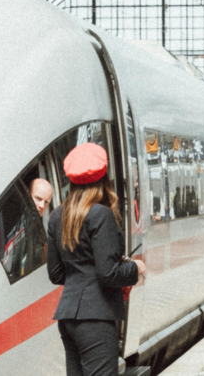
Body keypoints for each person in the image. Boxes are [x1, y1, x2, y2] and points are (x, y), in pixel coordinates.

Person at [47, 143, 145, 376]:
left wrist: (82, 275)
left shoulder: (57, 216)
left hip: (68, 318)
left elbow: (56, 274)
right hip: (96, 318)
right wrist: (135, 268)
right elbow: (108, 273)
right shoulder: (101, 214)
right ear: (103, 179)